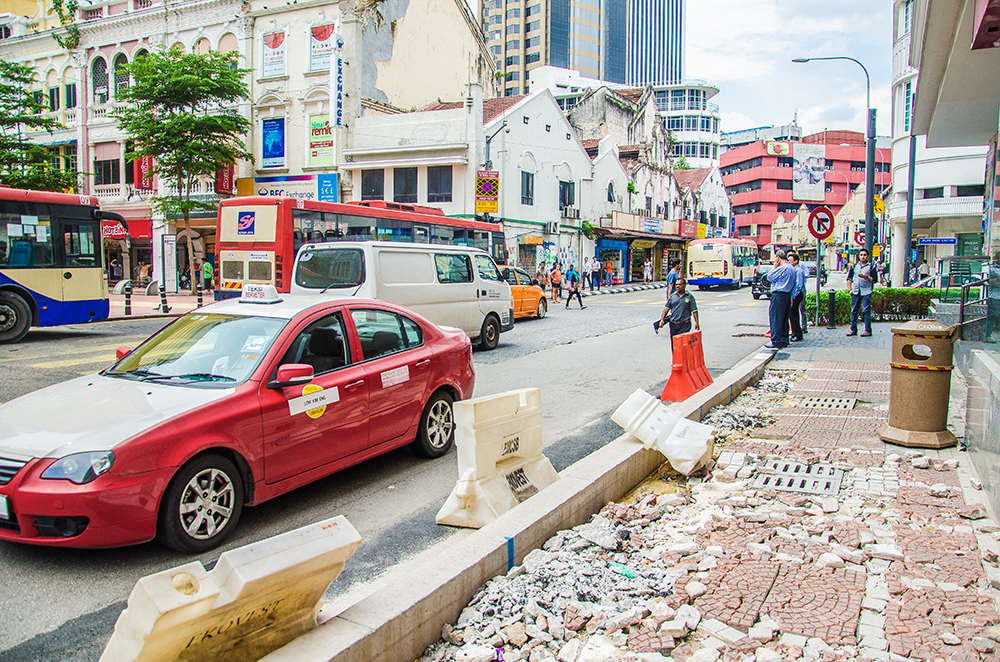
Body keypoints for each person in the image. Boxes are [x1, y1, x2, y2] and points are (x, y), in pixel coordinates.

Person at [765, 250, 796, 349]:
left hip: (779, 294)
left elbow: (769, 277)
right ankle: (784, 339)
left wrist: (774, 266)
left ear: (778, 258)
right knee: (784, 319)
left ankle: (776, 341)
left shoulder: (782, 268)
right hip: (787, 294)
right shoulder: (791, 268)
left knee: (776, 318)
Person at [846, 249, 875, 337]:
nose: (863, 256)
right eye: (861, 255)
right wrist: (850, 289)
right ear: (859, 256)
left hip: (866, 291)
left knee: (866, 311)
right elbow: (849, 278)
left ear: (868, 256)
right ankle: (853, 329)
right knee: (854, 310)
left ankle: (868, 330)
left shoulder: (871, 267)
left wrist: (866, 277)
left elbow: (874, 280)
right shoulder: (854, 266)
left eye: (865, 255)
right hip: (855, 291)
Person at [787, 251, 806, 342]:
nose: (789, 262)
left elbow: (799, 285)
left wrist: (793, 296)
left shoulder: (798, 271)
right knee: (792, 314)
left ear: (796, 261)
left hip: (797, 295)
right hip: (795, 294)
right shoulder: (794, 270)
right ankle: (795, 333)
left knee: (794, 314)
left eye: (791, 260)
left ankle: (797, 334)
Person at [987, 252, 1000, 343]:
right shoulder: (991, 268)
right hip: (994, 295)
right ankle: (988, 334)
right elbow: (988, 281)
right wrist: (998, 279)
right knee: (992, 315)